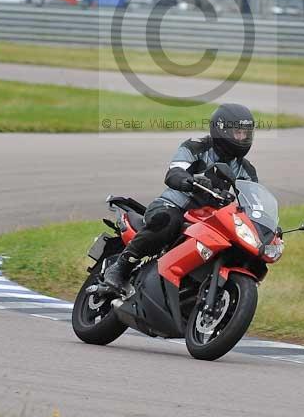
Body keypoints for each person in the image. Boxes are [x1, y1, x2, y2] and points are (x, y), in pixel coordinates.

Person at [102, 103, 258, 292]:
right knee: (168, 221)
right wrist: (190, 181)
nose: (242, 138)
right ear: (221, 129)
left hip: (208, 220)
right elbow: (175, 171)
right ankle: (120, 268)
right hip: (173, 206)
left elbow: (253, 201)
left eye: (245, 134)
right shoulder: (196, 147)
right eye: (237, 132)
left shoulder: (246, 170)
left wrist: (263, 225)